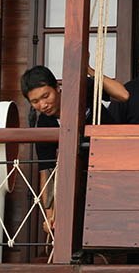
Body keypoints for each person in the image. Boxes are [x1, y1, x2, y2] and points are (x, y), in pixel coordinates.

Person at [20, 65, 128, 232]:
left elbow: (123, 95)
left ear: (57, 87)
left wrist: (90, 70)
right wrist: (49, 215)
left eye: (46, 96)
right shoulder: (44, 124)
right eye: (35, 102)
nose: (43, 105)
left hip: (119, 163)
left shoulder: (80, 89)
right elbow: (47, 172)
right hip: (89, 180)